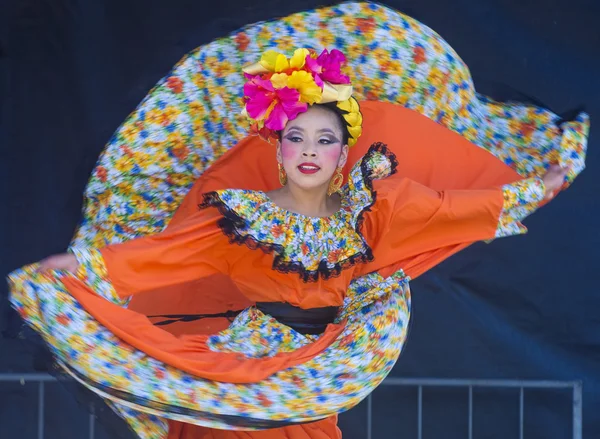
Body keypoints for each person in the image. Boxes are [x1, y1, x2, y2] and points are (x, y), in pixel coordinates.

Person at [8, 3, 589, 439]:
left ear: (343, 151)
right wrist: (80, 267)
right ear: (279, 147)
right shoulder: (235, 218)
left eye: (325, 139)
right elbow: (156, 258)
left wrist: (542, 184)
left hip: (301, 390)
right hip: (233, 382)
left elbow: (465, 211)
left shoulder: (381, 208)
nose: (310, 150)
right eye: (297, 138)